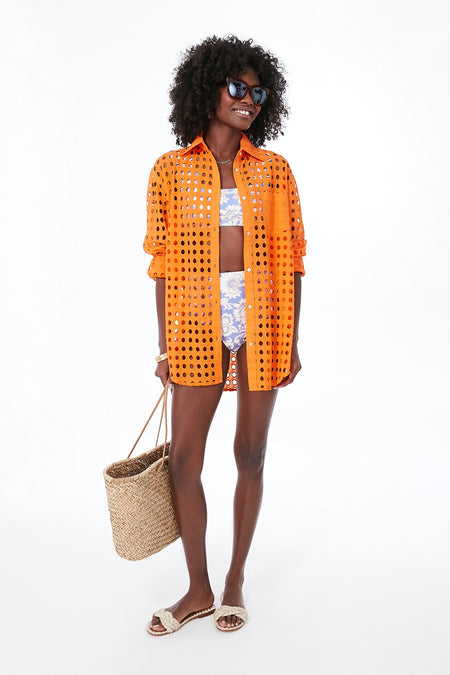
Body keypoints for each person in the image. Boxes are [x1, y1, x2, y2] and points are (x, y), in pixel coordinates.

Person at [143, 35, 306, 635]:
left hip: (264, 320)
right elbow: (163, 264)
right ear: (207, 89)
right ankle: (198, 589)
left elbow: (293, 259)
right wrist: (165, 344)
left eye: (258, 93)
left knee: (250, 453)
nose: (248, 100)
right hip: (196, 322)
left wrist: (292, 339)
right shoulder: (170, 171)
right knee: (184, 461)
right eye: (237, 87)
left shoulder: (275, 171)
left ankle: (235, 579)